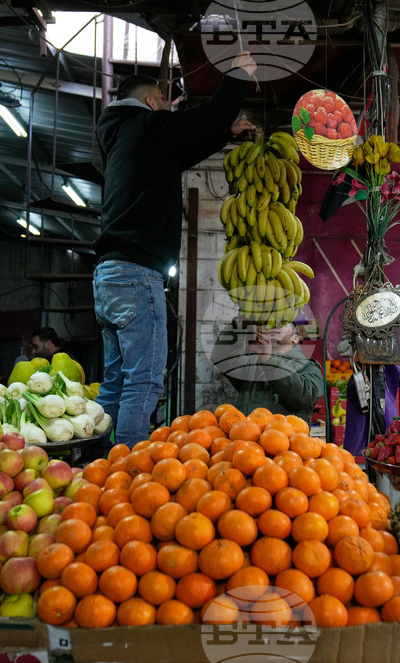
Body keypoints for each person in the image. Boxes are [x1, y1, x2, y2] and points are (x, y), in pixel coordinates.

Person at [93, 52, 257, 445]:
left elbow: (179, 153)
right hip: (135, 275)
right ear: (153, 102)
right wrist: (237, 74)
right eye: (166, 103)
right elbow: (205, 118)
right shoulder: (146, 125)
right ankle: (126, 474)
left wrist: (225, 133)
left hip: (108, 276)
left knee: (116, 382)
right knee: (144, 382)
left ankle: (96, 464)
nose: (169, 110)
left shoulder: (124, 136)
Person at [211, 318, 324, 422]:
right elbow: (222, 359)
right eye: (269, 324)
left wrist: (269, 361)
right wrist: (236, 327)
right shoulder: (252, 363)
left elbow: (305, 397)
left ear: (295, 339)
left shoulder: (308, 367)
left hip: (285, 441)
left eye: (282, 323)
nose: (274, 326)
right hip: (245, 438)